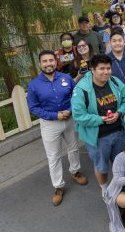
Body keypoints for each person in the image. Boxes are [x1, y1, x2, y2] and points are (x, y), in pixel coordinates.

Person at [27, 50, 88, 206]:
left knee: (73, 148)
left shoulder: (66, 78)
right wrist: (55, 115)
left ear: (56, 61)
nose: (48, 64)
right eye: (45, 61)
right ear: (40, 64)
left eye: (51, 60)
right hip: (49, 124)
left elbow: (76, 96)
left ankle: (75, 171)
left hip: (70, 119)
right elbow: (33, 108)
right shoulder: (34, 85)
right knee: (53, 157)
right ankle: (58, 186)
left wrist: (72, 110)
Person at [72, 54, 125, 198]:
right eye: (101, 69)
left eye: (108, 68)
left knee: (121, 163)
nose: (106, 72)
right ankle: (104, 189)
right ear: (92, 69)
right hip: (97, 138)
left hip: (118, 132)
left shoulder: (114, 82)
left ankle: (122, 188)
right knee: (101, 167)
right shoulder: (81, 89)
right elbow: (78, 116)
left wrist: (119, 112)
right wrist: (100, 119)